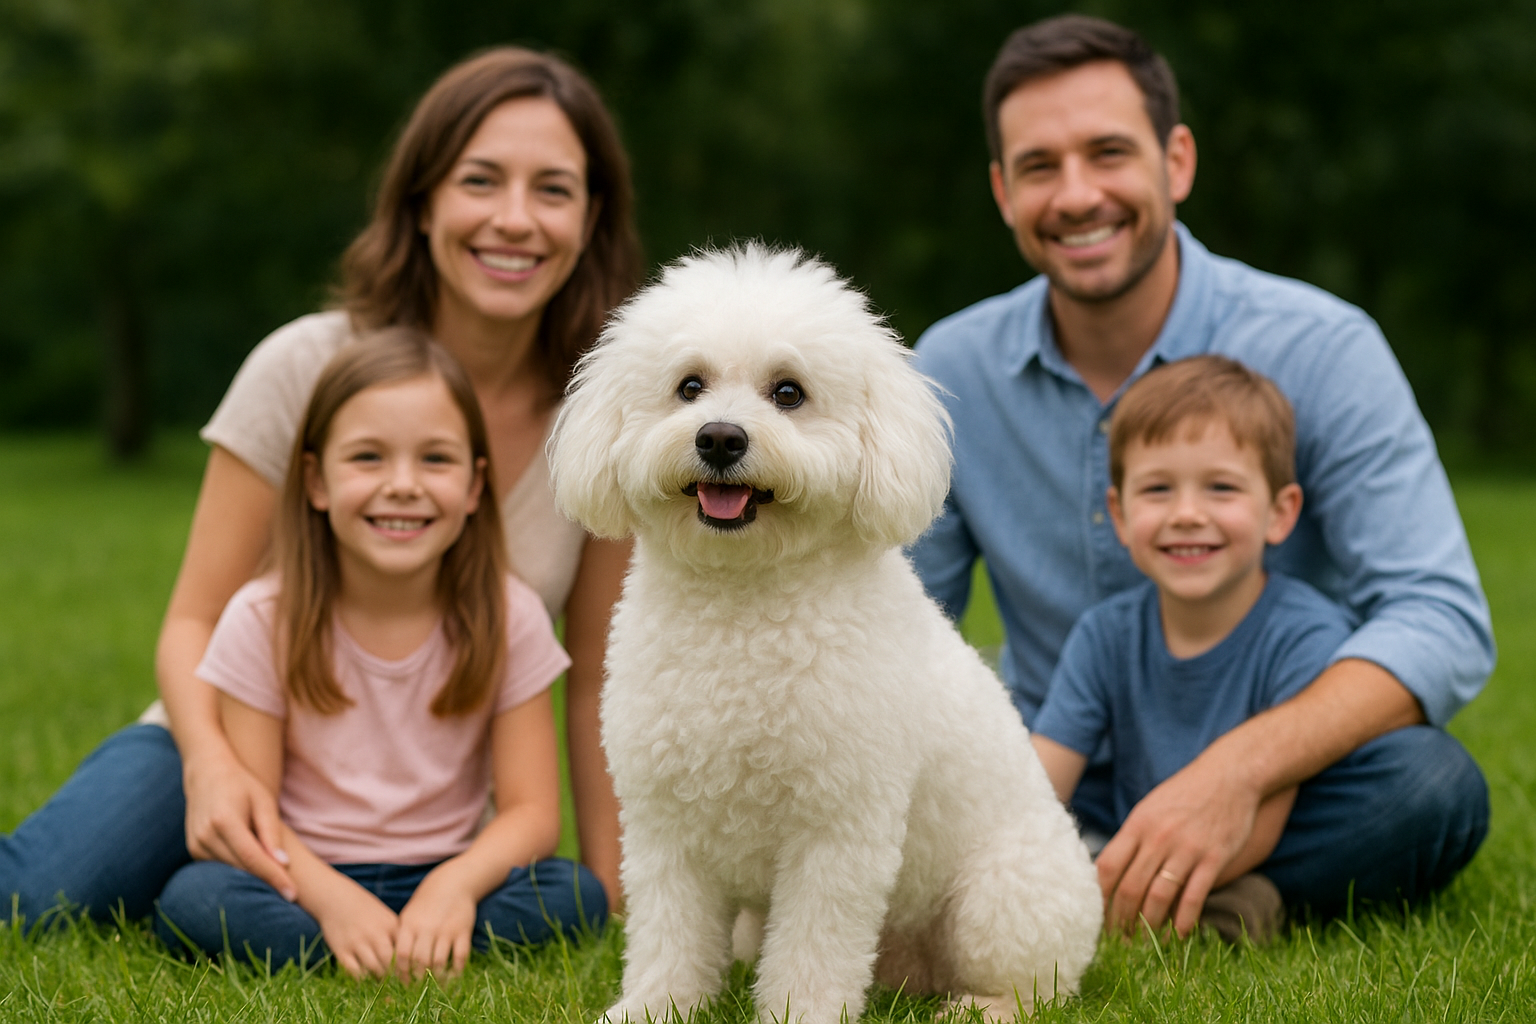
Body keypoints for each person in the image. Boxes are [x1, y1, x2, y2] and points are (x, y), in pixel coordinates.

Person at [1, 47, 640, 927]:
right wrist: (211, 770)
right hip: (230, 735)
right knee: (37, 897)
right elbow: (193, 621)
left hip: (415, 812)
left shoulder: (605, 418)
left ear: (592, 217)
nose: (515, 219)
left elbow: (597, 676)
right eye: (480, 181)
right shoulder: (303, 365)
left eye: (554, 190)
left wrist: (614, 891)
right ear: (422, 201)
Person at [909, 14, 1492, 937]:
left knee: (1430, 786)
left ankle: (1144, 886)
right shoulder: (952, 369)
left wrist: (1238, 772)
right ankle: (1121, 881)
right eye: (1039, 167)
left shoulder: (1324, 348)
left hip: (1279, 774)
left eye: (1109, 153)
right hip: (1053, 767)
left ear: (1176, 161)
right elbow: (900, 619)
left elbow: (1441, 617)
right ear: (1003, 192)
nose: (1077, 195)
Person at [156, 330, 603, 975]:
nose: (402, 485)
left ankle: (413, 935)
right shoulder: (261, 618)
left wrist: (453, 888)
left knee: (573, 894)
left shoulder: (512, 616)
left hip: (450, 869)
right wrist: (332, 901)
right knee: (196, 899)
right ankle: (375, 941)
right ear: (315, 481)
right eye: (368, 457)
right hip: (305, 875)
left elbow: (532, 814)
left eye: (436, 460)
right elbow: (255, 813)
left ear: (475, 487)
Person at [1030, 355, 1354, 943]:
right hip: (1131, 835)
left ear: (1280, 513)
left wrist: (1126, 890)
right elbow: (1039, 782)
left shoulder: (1306, 636)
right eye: (1157, 489)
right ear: (1119, 514)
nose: (1186, 514)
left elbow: (1261, 825)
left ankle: (1169, 907)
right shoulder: (1105, 634)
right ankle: (1133, 897)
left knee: (1247, 893)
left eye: (1221, 488)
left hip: (1239, 851)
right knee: (1062, 852)